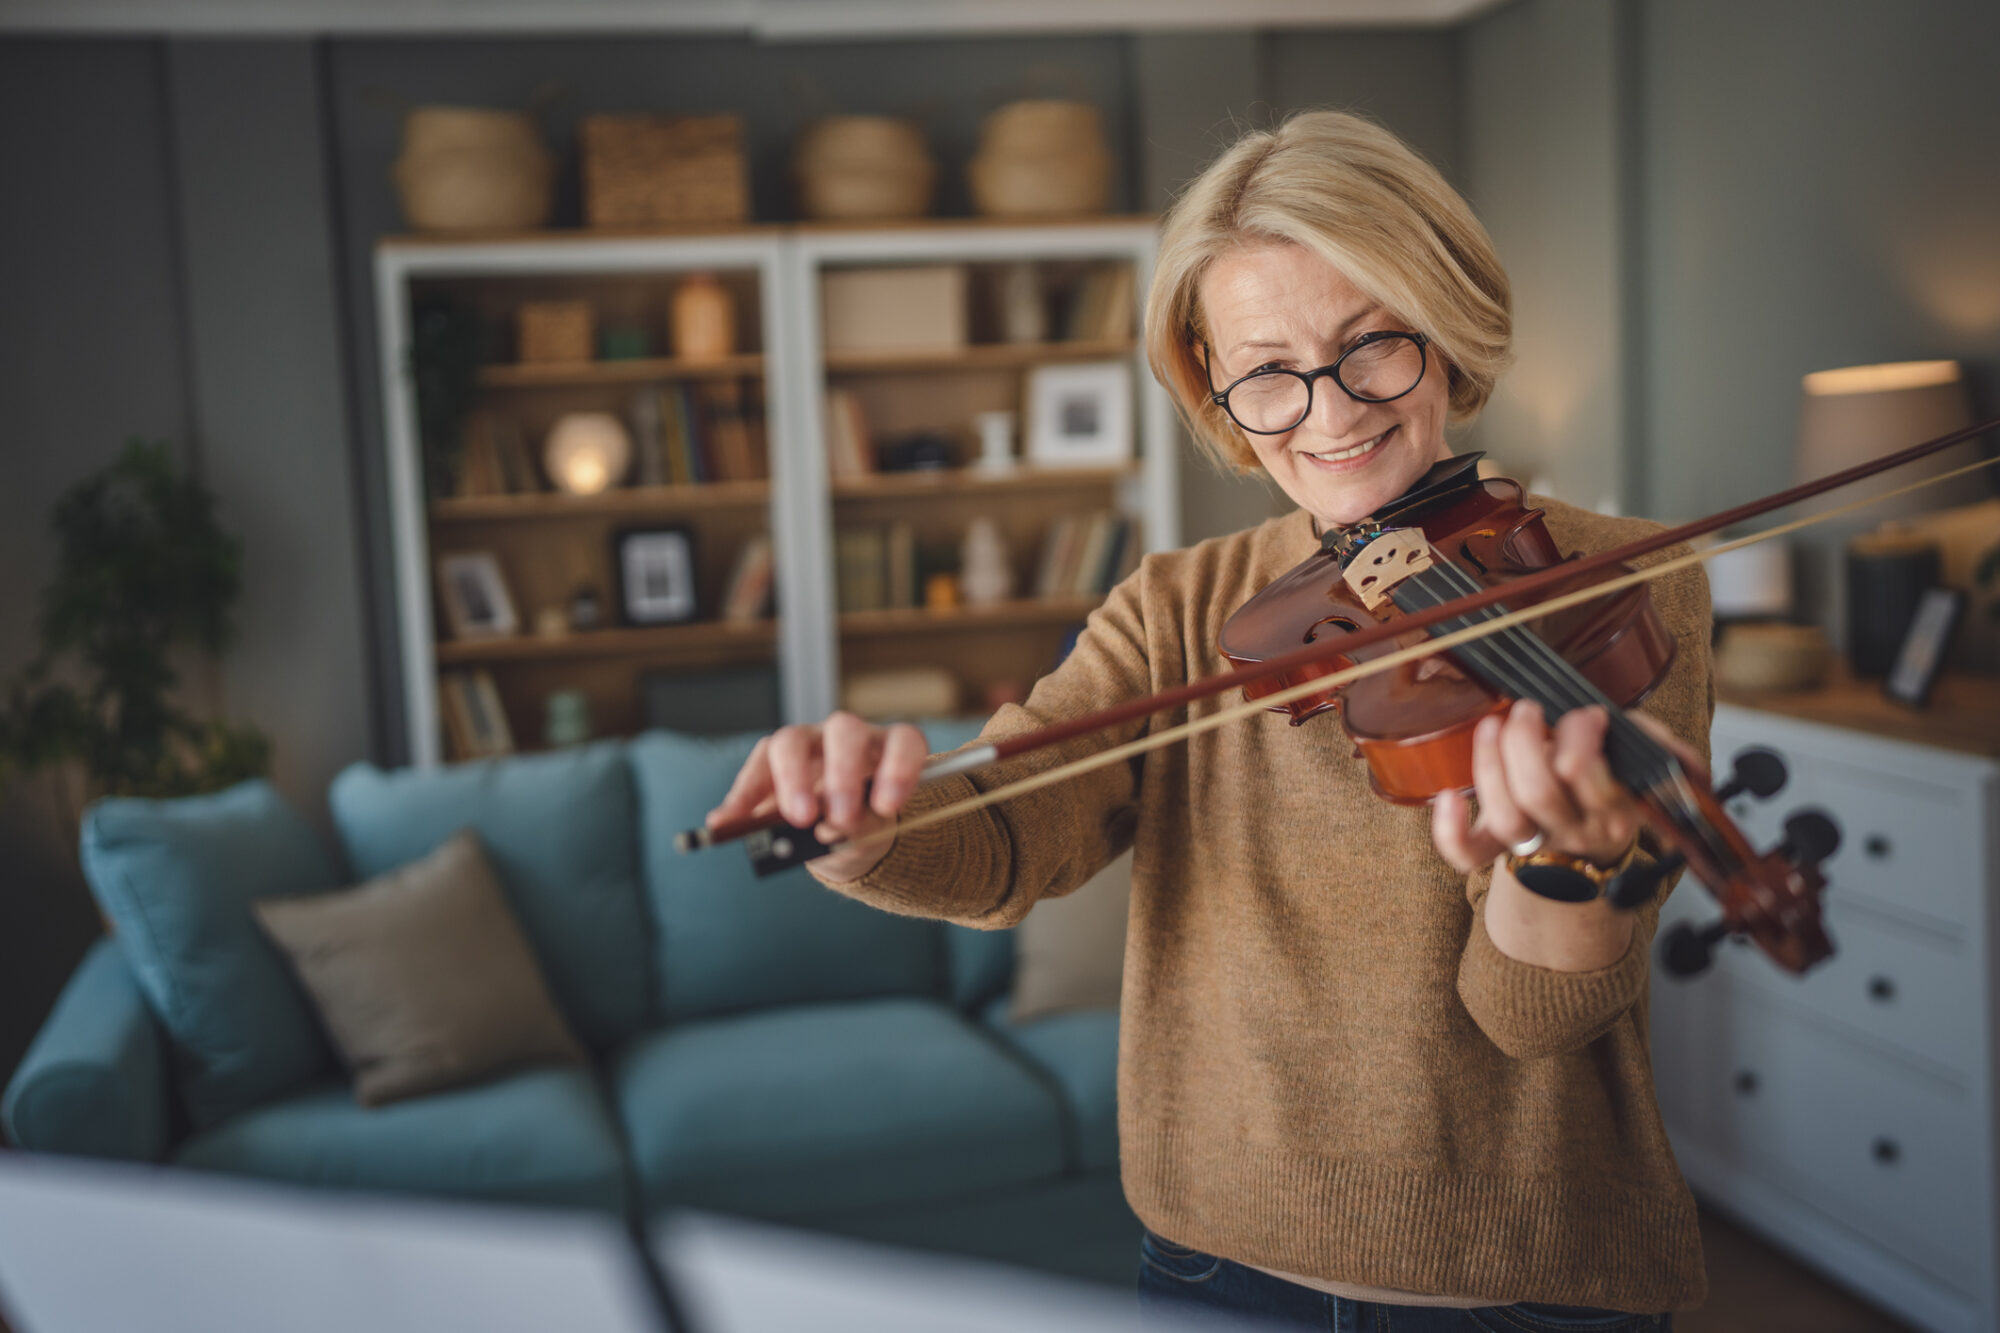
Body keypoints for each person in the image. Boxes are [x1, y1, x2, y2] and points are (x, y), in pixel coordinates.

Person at [705, 110, 1711, 1332]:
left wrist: (1567, 860)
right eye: (1268, 372)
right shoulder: (1182, 609)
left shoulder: (1608, 585)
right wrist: (865, 829)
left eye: (1370, 347)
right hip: (1212, 1268)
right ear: (1220, 393)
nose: (1328, 415)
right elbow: (1014, 832)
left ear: (1441, 329)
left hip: (1524, 1286)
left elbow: (1530, 1012)